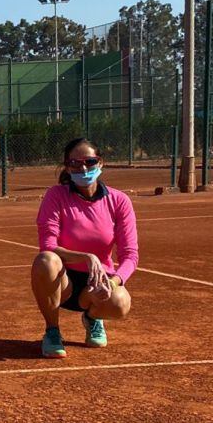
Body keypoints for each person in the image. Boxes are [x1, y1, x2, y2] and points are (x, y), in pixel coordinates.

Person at [32, 138, 137, 358]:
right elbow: (48, 245)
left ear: (101, 163)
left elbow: (130, 255)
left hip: (98, 282)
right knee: (45, 260)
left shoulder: (119, 201)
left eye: (89, 162)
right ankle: (52, 331)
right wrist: (86, 257)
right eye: (75, 163)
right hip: (63, 281)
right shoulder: (55, 196)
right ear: (67, 167)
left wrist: (113, 282)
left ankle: (92, 318)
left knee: (120, 303)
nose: (83, 168)